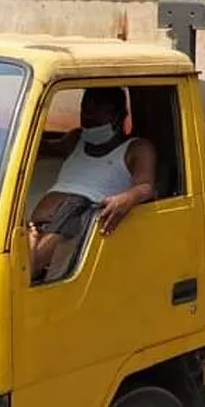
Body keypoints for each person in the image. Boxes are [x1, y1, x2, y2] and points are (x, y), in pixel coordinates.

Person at [28, 87, 157, 280]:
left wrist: (126, 198)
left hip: (80, 224)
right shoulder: (75, 139)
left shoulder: (137, 148)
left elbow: (145, 186)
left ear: (119, 115)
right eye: (85, 111)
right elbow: (43, 148)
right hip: (38, 225)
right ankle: (33, 243)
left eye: (97, 113)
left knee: (75, 204)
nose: (89, 116)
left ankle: (34, 260)